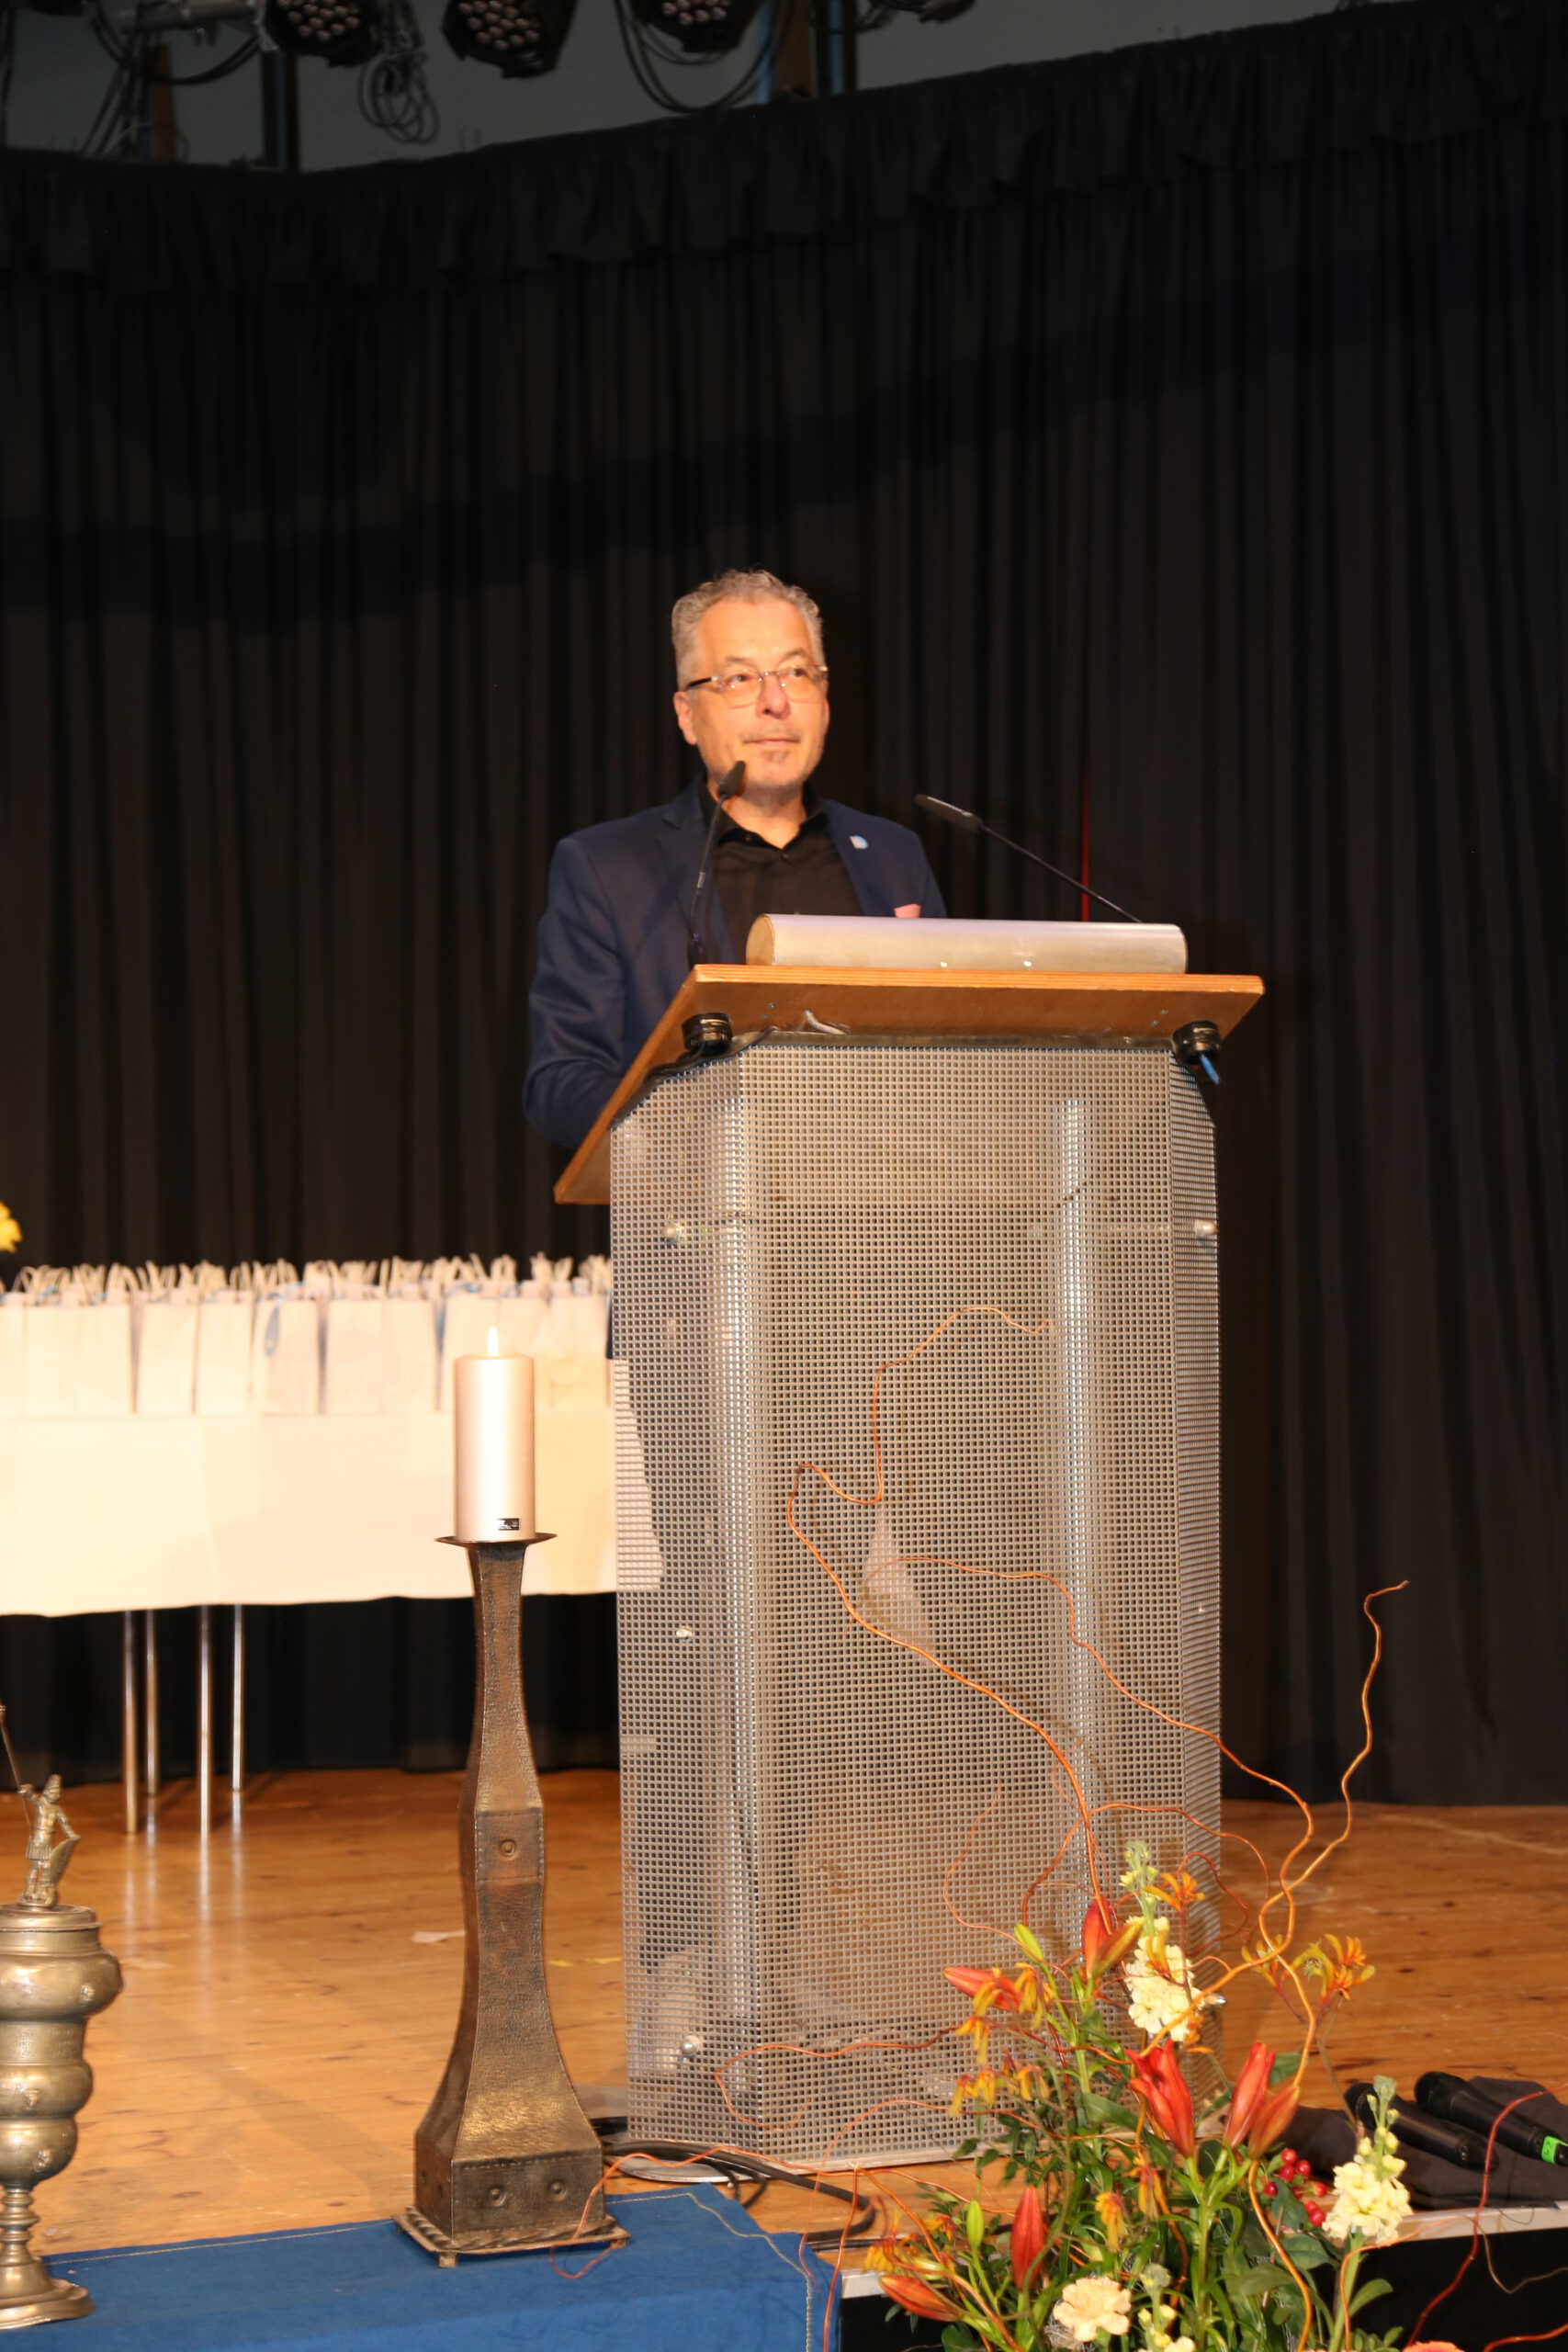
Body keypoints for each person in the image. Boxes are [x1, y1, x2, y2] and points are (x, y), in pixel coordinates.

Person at [524, 569, 945, 1152]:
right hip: (702, 1196)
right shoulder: (606, 867)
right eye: (739, 678)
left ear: (824, 702)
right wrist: (694, 1131)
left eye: (796, 673)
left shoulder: (895, 854)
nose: (775, 702)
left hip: (887, 1194)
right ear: (687, 714)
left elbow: (949, 1047)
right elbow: (562, 1080)